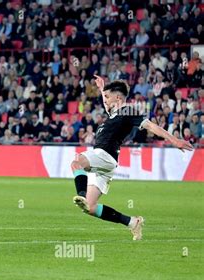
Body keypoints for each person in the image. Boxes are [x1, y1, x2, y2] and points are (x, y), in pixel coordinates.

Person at [70, 77, 193, 240]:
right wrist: (101, 89)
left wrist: (174, 140)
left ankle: (81, 195)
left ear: (118, 98)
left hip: (104, 155)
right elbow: (108, 102)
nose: (105, 101)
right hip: (106, 163)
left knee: (76, 162)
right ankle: (132, 222)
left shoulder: (128, 111)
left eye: (108, 97)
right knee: (91, 208)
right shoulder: (114, 113)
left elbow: (151, 126)